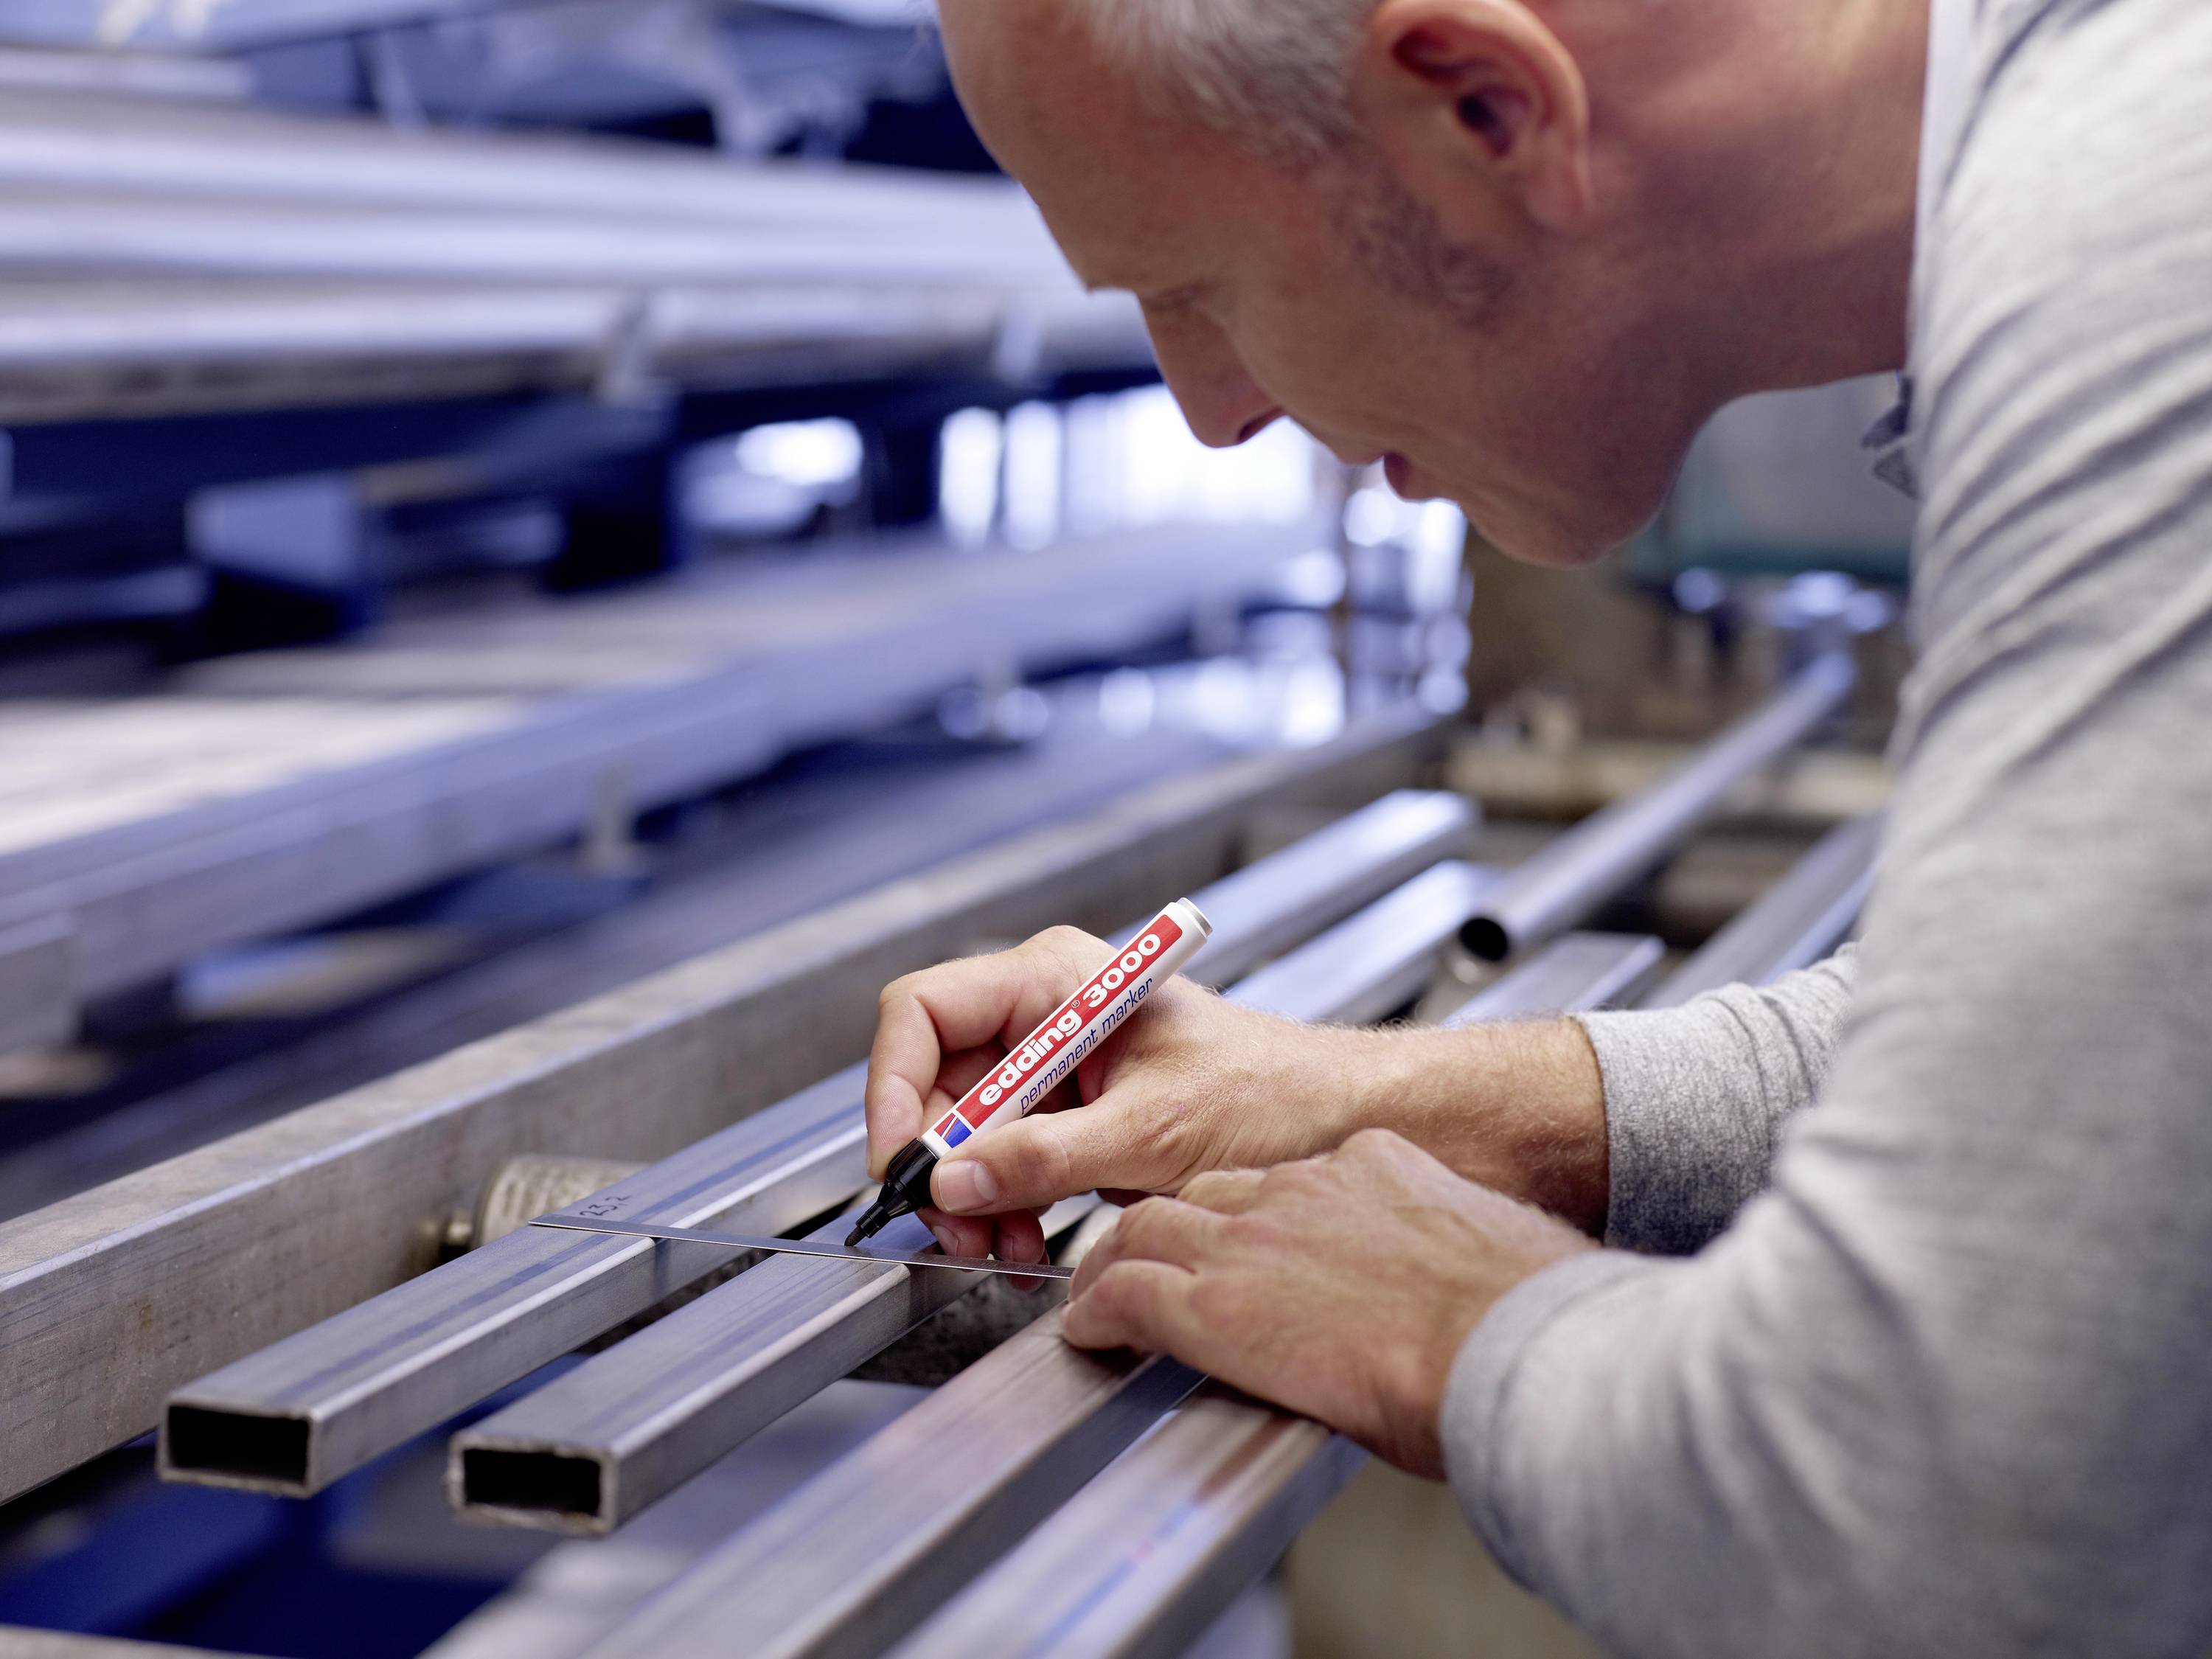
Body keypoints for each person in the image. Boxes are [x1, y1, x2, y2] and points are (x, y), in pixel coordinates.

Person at [862, 0, 2212, 1651]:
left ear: (1489, 113)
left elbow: (1931, 1528)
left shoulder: (2148, 270)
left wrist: (1466, 1322)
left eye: (1196, 283)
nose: (1209, 411)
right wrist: (1385, 1099)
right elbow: (2096, 1061)